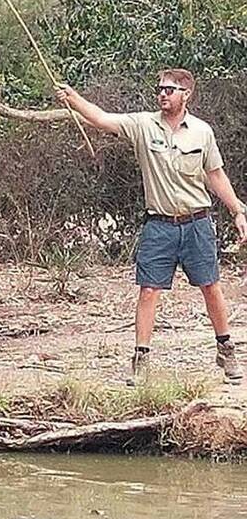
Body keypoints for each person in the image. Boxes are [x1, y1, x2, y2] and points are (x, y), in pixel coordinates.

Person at [55, 69, 247, 385]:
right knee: (148, 290)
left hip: (197, 223)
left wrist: (237, 210)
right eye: (160, 89)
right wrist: (73, 98)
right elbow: (102, 119)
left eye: (170, 90)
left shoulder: (202, 132)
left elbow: (215, 175)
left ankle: (226, 350)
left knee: (211, 287)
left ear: (186, 94)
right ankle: (141, 359)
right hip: (159, 226)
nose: (163, 94)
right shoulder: (143, 124)